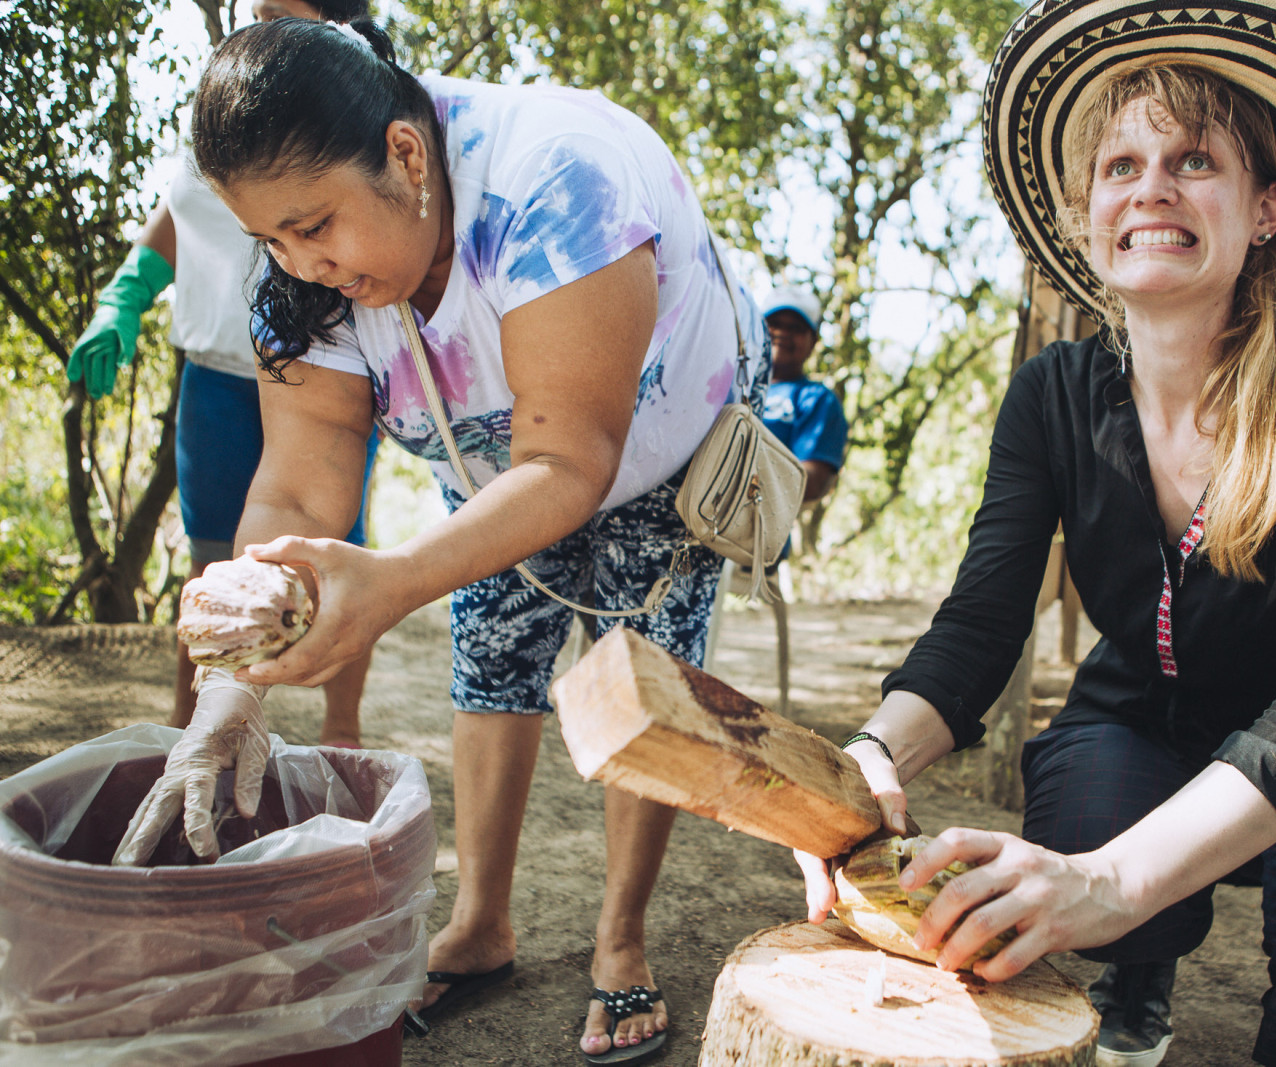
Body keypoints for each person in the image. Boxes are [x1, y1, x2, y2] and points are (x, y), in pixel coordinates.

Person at [797, 3, 1276, 1067]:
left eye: (1194, 159)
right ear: (1085, 216)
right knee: (1085, 833)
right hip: (1140, 712)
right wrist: (872, 752)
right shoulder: (1052, 393)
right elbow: (981, 621)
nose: (1150, 184)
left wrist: (1108, 880)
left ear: (1266, 211)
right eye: (1121, 164)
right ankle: (1136, 963)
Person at [113, 17, 767, 1065]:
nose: (304, 264)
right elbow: (296, 481)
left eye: (316, 225)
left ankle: (621, 938)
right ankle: (480, 923)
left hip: (651, 441)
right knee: (491, 654)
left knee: (642, 675)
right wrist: (236, 689)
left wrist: (394, 579)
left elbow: (570, 460)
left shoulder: (558, 180)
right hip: (500, 459)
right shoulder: (303, 272)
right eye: (272, 238)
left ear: (406, 157)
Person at [65, 0, 380, 749]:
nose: (257, 23)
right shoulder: (226, 101)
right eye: (254, 10)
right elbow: (181, 206)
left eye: (278, 12)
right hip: (215, 376)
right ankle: (194, 724)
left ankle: (342, 730)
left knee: (334, 555)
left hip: (322, 380)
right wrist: (124, 296)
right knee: (213, 558)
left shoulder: (350, 109)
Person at [760, 287, 847, 504]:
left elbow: (813, 482)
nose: (783, 333)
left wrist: (737, 479)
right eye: (775, 324)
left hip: (754, 532)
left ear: (813, 342)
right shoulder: (728, 383)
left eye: (796, 328)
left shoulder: (816, 399)